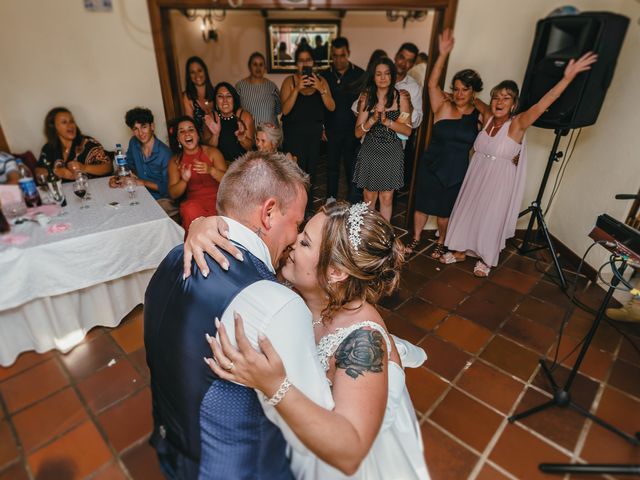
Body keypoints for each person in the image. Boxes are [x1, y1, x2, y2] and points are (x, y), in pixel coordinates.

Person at [203, 201, 429, 479]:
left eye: (306, 243)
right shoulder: (300, 291)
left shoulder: (363, 340)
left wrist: (274, 385)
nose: (294, 241)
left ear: (335, 272)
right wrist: (203, 226)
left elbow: (350, 452)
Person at [145, 152, 335, 479]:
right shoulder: (276, 305)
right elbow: (316, 428)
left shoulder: (173, 257)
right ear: (269, 212)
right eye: (297, 224)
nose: (294, 238)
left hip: (174, 451)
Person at [440, 52, 597, 277]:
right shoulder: (487, 117)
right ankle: (461, 251)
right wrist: (451, 94)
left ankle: (486, 258)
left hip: (499, 179)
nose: (499, 102)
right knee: (469, 210)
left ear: (514, 104)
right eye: (496, 97)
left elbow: (545, 102)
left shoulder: (518, 124)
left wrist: (567, 78)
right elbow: (471, 98)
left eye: (506, 98)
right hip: (477, 173)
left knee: (490, 217)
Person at [408, 30, 489, 256]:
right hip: (431, 163)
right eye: (456, 88)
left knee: (445, 213)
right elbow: (432, 84)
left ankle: (441, 241)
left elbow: (494, 119)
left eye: (465, 89)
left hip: (456, 170)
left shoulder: (478, 115)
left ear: (473, 91)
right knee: (421, 206)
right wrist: (442, 54)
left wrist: (478, 103)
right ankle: (415, 239)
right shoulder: (442, 106)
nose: (459, 93)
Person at [353, 57, 412, 221]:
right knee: (369, 196)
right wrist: (372, 120)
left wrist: (387, 121)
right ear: (373, 76)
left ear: (392, 76)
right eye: (378, 74)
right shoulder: (366, 97)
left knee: (387, 197)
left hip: (392, 151)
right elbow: (357, 133)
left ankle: (385, 237)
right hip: (370, 150)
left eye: (387, 74)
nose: (383, 77)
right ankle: (369, 235)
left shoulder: (401, 98)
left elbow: (407, 130)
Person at [281, 44, 335, 214]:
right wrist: (297, 89)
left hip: (314, 136)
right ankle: (292, 208)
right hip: (294, 136)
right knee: (294, 174)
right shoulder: (289, 81)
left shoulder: (322, 81)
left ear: (313, 62)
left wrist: (320, 89)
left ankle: (308, 207)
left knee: (310, 173)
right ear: (296, 63)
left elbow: (331, 107)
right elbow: (285, 110)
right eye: (301, 60)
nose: (305, 63)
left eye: (308, 60)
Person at [109, 107, 176, 216]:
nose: (140, 133)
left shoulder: (165, 153)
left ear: (152, 126)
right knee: (115, 209)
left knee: (136, 215)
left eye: (144, 127)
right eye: (136, 129)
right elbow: (127, 166)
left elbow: (167, 189)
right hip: (141, 193)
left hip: (162, 200)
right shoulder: (134, 143)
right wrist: (117, 179)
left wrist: (142, 182)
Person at [321, 37, 364, 202]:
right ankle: (331, 199)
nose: (338, 59)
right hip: (331, 129)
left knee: (350, 167)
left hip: (352, 130)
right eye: (335, 56)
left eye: (342, 55)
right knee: (331, 167)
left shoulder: (359, 74)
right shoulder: (324, 75)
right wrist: (322, 127)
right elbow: (320, 105)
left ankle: (352, 201)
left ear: (348, 54)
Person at [167, 116, 227, 232]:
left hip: (219, 201)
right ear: (178, 138)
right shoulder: (175, 161)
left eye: (191, 129)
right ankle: (201, 247)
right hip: (195, 205)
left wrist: (211, 171)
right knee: (189, 209)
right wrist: (184, 180)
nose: (187, 134)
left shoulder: (212, 153)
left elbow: (229, 181)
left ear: (198, 135)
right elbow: (173, 194)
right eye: (182, 131)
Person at [36, 107, 112, 181]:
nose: (70, 125)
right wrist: (54, 172)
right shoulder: (48, 148)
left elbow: (108, 167)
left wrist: (83, 167)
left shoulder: (88, 143)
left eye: (72, 121)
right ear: (53, 127)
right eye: (64, 122)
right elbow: (38, 170)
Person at [205, 82, 255, 163]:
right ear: (215, 100)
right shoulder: (211, 118)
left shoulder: (244, 116)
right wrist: (215, 135)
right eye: (220, 96)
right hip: (220, 166)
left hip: (242, 165)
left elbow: (250, 148)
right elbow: (208, 151)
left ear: (234, 99)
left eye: (228, 96)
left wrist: (242, 137)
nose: (225, 100)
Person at [236, 52, 282, 126]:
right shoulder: (240, 87)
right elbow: (236, 111)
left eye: (261, 65)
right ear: (249, 67)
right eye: (255, 64)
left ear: (265, 67)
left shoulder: (272, 87)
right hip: (249, 134)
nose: (258, 68)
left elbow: (279, 110)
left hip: (270, 134)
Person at [181, 56, 216, 144]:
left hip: (221, 141)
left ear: (205, 71)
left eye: (199, 70)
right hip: (201, 145)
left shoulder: (216, 92)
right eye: (192, 72)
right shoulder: (187, 97)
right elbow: (189, 127)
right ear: (189, 76)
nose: (197, 75)